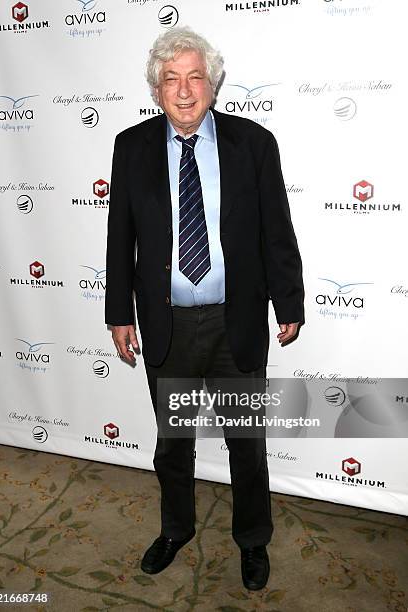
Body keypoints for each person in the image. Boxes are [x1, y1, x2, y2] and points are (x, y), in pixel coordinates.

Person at [105, 26, 304, 591]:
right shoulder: (131, 147)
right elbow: (120, 237)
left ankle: (252, 541)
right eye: (172, 79)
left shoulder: (253, 143)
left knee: (246, 443)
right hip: (167, 324)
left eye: (195, 77)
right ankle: (175, 529)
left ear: (213, 86)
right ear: (157, 89)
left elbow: (276, 230)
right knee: (173, 443)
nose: (185, 90)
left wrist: (287, 300)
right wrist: (120, 312)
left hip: (233, 322)